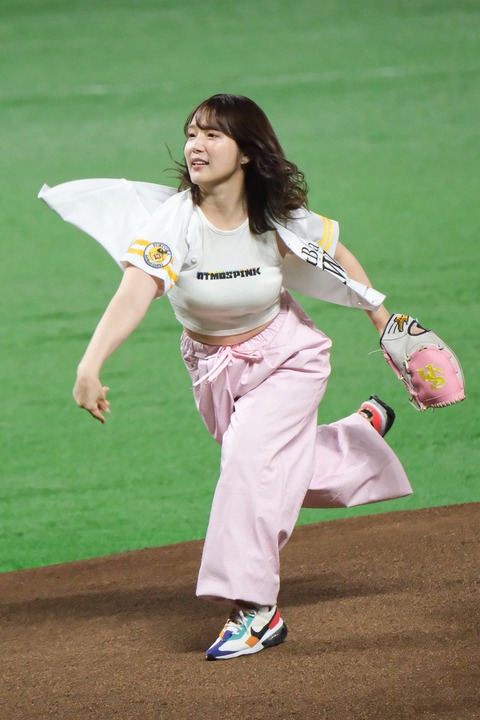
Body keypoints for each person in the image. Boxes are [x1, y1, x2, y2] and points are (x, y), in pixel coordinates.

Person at [69, 93, 412, 661]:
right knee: (272, 465)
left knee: (248, 466)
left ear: (247, 152)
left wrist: (385, 325)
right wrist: (90, 362)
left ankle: (255, 609)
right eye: (191, 133)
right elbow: (135, 290)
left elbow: (337, 260)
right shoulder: (175, 221)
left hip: (288, 357)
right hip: (211, 368)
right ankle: (355, 439)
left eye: (213, 135)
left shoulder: (276, 218)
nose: (196, 145)